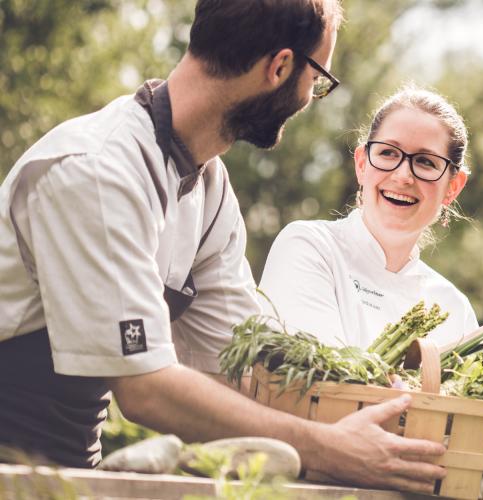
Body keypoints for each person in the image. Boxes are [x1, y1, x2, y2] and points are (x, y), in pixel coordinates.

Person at [0, 0, 446, 492]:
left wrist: (370, 402)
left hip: (63, 472)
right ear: (280, 67)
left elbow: (239, 367)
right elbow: (145, 388)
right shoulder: (98, 171)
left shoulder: (208, 187)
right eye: (317, 79)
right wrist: (327, 448)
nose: (310, 97)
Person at [259, 86, 478, 349]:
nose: (403, 176)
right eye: (388, 153)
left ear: (453, 187)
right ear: (362, 164)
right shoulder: (310, 248)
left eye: (426, 162)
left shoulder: (455, 311)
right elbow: (313, 371)